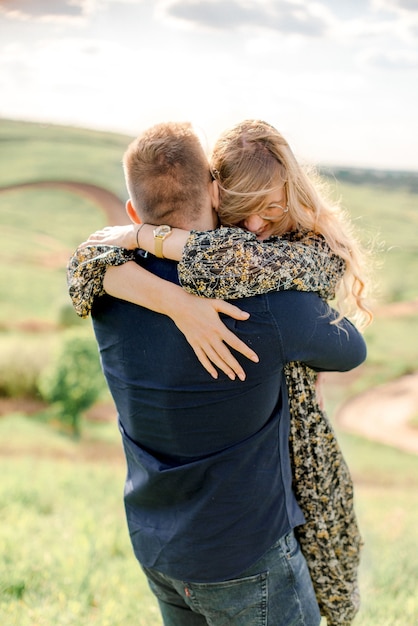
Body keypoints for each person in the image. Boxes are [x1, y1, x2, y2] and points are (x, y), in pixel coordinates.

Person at [69, 120, 372, 625]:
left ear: (131, 211)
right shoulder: (271, 304)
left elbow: (83, 261)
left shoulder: (104, 288)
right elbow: (350, 350)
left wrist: (164, 290)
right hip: (246, 557)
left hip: (156, 545)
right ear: (215, 189)